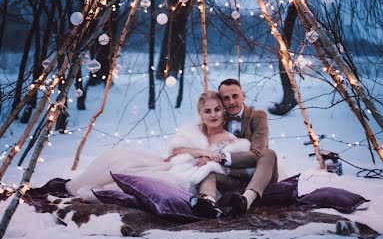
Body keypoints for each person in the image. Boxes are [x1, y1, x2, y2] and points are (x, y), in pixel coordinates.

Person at [66, 90, 250, 214]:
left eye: (217, 110)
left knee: (156, 182)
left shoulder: (230, 139)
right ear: (201, 114)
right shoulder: (193, 130)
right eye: (207, 111)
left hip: (193, 176)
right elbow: (176, 150)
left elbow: (226, 164)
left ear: (223, 112)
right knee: (123, 161)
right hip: (174, 165)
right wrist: (201, 152)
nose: (213, 115)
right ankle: (98, 188)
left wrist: (210, 160)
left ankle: (106, 195)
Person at [192, 78, 278, 217]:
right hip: (231, 176)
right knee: (209, 171)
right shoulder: (218, 116)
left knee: (268, 153)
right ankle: (208, 203)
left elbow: (257, 153)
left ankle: (246, 201)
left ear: (243, 95)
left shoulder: (257, 116)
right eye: (226, 98)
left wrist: (219, 158)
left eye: (235, 96)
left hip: (258, 174)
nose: (232, 102)